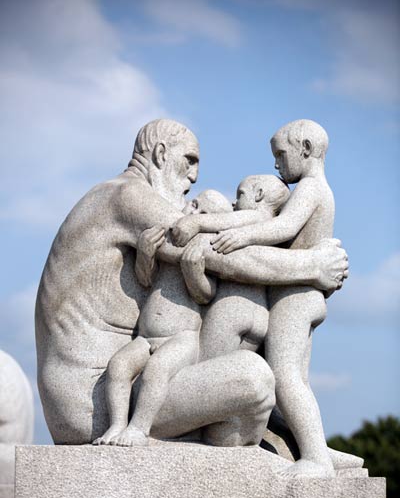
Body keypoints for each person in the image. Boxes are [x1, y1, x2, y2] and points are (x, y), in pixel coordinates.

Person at [35, 118, 348, 446]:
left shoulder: (116, 198)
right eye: (190, 161)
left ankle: (304, 446)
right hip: (95, 405)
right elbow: (223, 257)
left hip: (121, 381)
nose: (195, 177)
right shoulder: (128, 197)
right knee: (253, 379)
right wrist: (311, 265)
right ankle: (294, 446)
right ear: (160, 155)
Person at [186, 120, 339, 477]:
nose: (277, 165)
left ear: (305, 148)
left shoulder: (311, 188)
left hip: (294, 296)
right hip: (304, 296)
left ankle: (316, 457)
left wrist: (241, 238)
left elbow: (283, 228)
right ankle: (319, 450)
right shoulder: (319, 190)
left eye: (281, 155)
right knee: (294, 380)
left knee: (284, 376)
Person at [94, 190, 233, 447]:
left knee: (157, 370)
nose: (195, 214)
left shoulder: (205, 253)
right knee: (119, 365)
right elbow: (145, 280)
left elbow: (206, 295)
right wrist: (146, 253)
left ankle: (138, 428)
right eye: (196, 205)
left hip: (182, 338)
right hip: (147, 335)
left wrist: (193, 272)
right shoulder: (169, 245)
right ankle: (116, 424)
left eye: (205, 215)